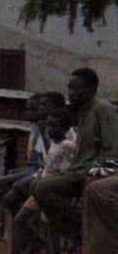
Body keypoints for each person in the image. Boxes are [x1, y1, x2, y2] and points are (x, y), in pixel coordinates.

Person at [30, 66, 117, 245]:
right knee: (35, 186)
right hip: (77, 169)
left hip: (90, 171)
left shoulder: (103, 109)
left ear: (89, 90)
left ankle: (79, 229)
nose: (70, 93)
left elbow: (113, 148)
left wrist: (94, 169)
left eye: (74, 89)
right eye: (69, 88)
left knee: (43, 188)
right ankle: (75, 229)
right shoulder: (83, 111)